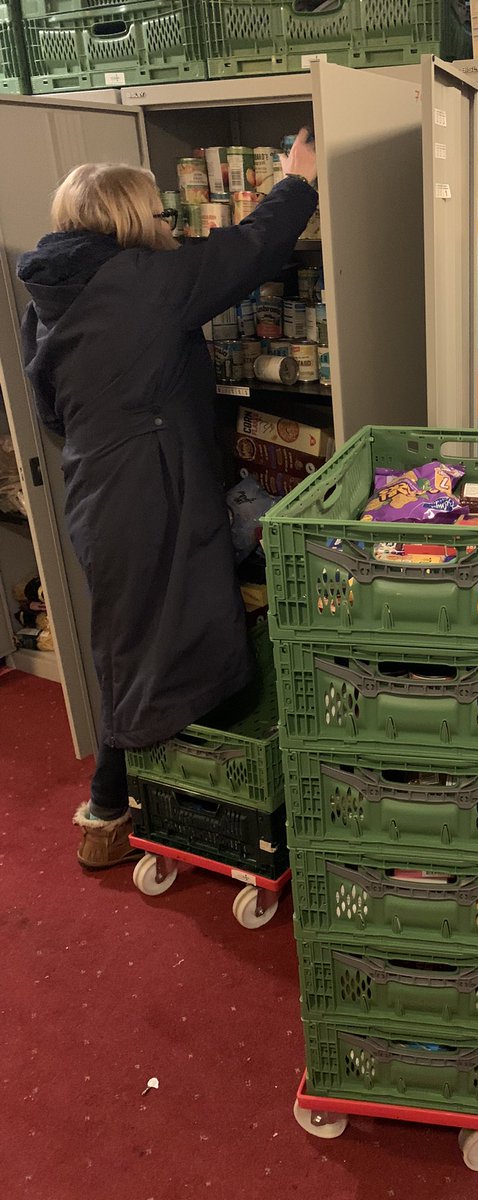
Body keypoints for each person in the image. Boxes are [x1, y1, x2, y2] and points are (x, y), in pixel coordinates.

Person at [17, 133, 318, 869]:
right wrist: (297, 182)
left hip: (97, 486)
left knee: (133, 637)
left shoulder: (50, 295)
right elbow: (248, 251)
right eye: (157, 212)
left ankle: (136, 802)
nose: (167, 224)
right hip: (150, 489)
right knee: (159, 638)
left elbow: (52, 413)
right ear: (128, 218)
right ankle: (129, 807)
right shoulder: (143, 280)